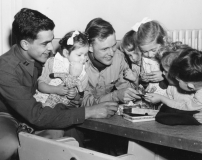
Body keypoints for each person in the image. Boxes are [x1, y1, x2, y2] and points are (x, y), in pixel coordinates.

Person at [0, 8, 118, 160]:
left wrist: (75, 97)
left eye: (51, 40)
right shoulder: (5, 69)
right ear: (25, 44)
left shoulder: (47, 58)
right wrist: (89, 111)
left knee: (62, 138)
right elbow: (36, 116)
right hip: (7, 116)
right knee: (8, 145)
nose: (51, 48)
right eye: (45, 43)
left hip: (39, 110)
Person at [145, 43, 202, 125]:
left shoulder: (196, 88)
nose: (162, 73)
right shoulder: (171, 87)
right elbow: (170, 103)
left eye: (166, 71)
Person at [82, 18, 141, 107]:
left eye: (113, 46)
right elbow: (81, 104)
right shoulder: (78, 64)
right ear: (90, 47)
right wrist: (114, 96)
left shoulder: (119, 58)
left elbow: (126, 90)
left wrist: (133, 90)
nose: (111, 53)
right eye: (104, 49)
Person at [34, 30, 89, 108]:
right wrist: (56, 90)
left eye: (86, 54)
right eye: (79, 55)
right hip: (44, 101)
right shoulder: (53, 63)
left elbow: (80, 97)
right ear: (66, 53)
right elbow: (40, 85)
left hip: (64, 107)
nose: (83, 59)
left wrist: (74, 95)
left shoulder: (83, 75)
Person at [133, 17, 169, 94]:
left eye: (153, 50)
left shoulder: (168, 56)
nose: (149, 55)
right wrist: (143, 78)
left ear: (163, 41)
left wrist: (164, 76)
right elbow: (143, 74)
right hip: (152, 93)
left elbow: (178, 78)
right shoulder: (144, 58)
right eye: (144, 51)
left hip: (167, 95)